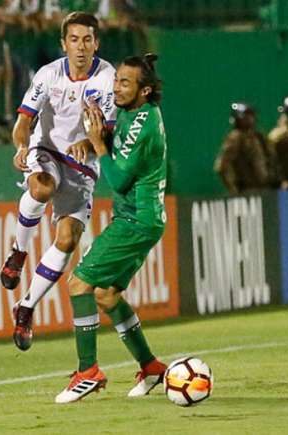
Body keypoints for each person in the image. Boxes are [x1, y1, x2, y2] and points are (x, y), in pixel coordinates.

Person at [50, 53, 169, 404]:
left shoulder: (143, 124)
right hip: (144, 220)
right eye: (116, 79)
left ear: (144, 91)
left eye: (125, 83)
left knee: (78, 283)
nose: (116, 88)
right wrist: (94, 140)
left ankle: (88, 371)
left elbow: (117, 179)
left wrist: (97, 142)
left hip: (135, 220)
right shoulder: (137, 112)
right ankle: (150, 367)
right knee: (106, 295)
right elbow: (118, 133)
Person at [0, 12, 117, 351]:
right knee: (41, 187)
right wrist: (22, 145)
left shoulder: (107, 78)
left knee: (67, 240)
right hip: (47, 150)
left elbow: (108, 129)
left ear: (96, 43)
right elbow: (23, 121)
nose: (81, 48)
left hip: (83, 165)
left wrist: (90, 142)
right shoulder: (49, 75)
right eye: (74, 40)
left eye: (87, 40)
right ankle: (19, 252)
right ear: (63, 44)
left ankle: (25, 307)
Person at [214, 102, 271, 194]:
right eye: (246, 116)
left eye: (251, 116)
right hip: (247, 191)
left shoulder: (258, 136)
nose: (250, 119)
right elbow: (221, 167)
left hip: (266, 190)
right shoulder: (235, 138)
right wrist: (233, 189)